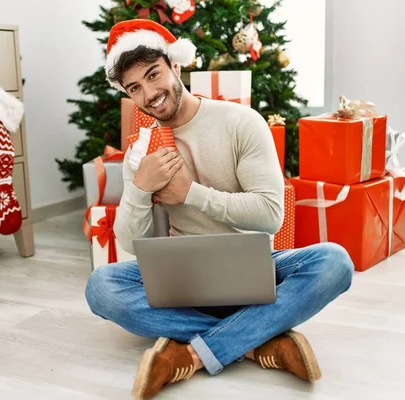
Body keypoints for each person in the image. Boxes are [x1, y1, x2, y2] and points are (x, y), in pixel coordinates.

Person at [85, 19, 354, 400]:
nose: (150, 94)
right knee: (101, 287)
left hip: (255, 266)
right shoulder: (141, 149)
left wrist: (190, 194)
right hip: (184, 275)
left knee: (335, 262)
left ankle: (194, 352)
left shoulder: (240, 122)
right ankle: (255, 341)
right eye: (135, 88)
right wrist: (140, 187)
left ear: (175, 66)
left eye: (153, 75)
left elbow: (270, 214)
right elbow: (130, 241)